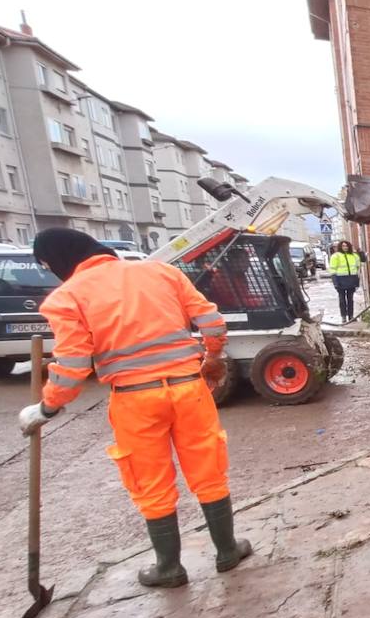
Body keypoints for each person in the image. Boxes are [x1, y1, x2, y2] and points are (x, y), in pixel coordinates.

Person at [17, 229, 251, 589]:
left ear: (59, 260)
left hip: (134, 397)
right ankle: (227, 551)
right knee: (209, 468)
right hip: (189, 388)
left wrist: (46, 409)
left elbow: (74, 364)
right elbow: (211, 322)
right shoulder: (161, 272)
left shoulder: (67, 297)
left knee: (150, 481)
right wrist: (212, 356)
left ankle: (169, 567)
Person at [328, 239, 366, 323]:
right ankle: (343, 317)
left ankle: (351, 316)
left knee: (350, 299)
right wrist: (335, 282)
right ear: (340, 247)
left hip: (351, 279)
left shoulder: (353, 256)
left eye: (346, 246)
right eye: (343, 246)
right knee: (342, 300)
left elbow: (362, 262)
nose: (345, 247)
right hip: (340, 280)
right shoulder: (336, 256)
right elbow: (332, 270)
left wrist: (360, 253)